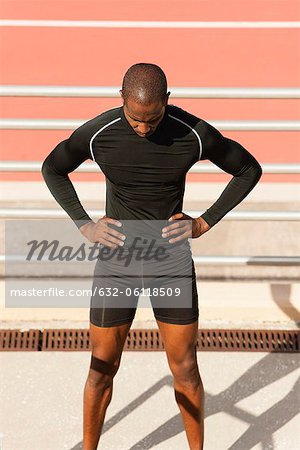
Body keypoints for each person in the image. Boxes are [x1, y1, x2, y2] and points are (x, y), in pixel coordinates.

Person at [42, 63, 262, 450]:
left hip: (170, 264)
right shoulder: (99, 133)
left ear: (167, 102)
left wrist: (203, 223)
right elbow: (53, 167)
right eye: (136, 120)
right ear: (121, 98)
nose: (144, 129)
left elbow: (247, 168)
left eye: (154, 119)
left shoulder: (193, 133)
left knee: (186, 369)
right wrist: (84, 224)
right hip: (117, 263)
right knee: (101, 368)